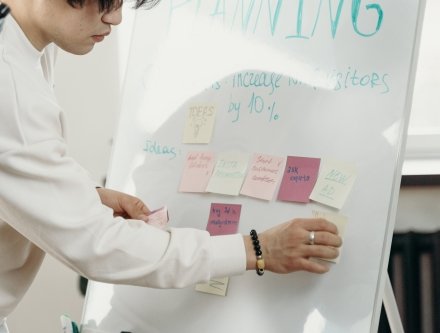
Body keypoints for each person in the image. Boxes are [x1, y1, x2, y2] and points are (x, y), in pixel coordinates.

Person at [0, 0, 342, 332]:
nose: (116, 18)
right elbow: (99, 245)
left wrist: (88, 196)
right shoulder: (11, 88)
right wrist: (257, 248)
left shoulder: (21, 44)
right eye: (105, 1)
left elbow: (19, 163)